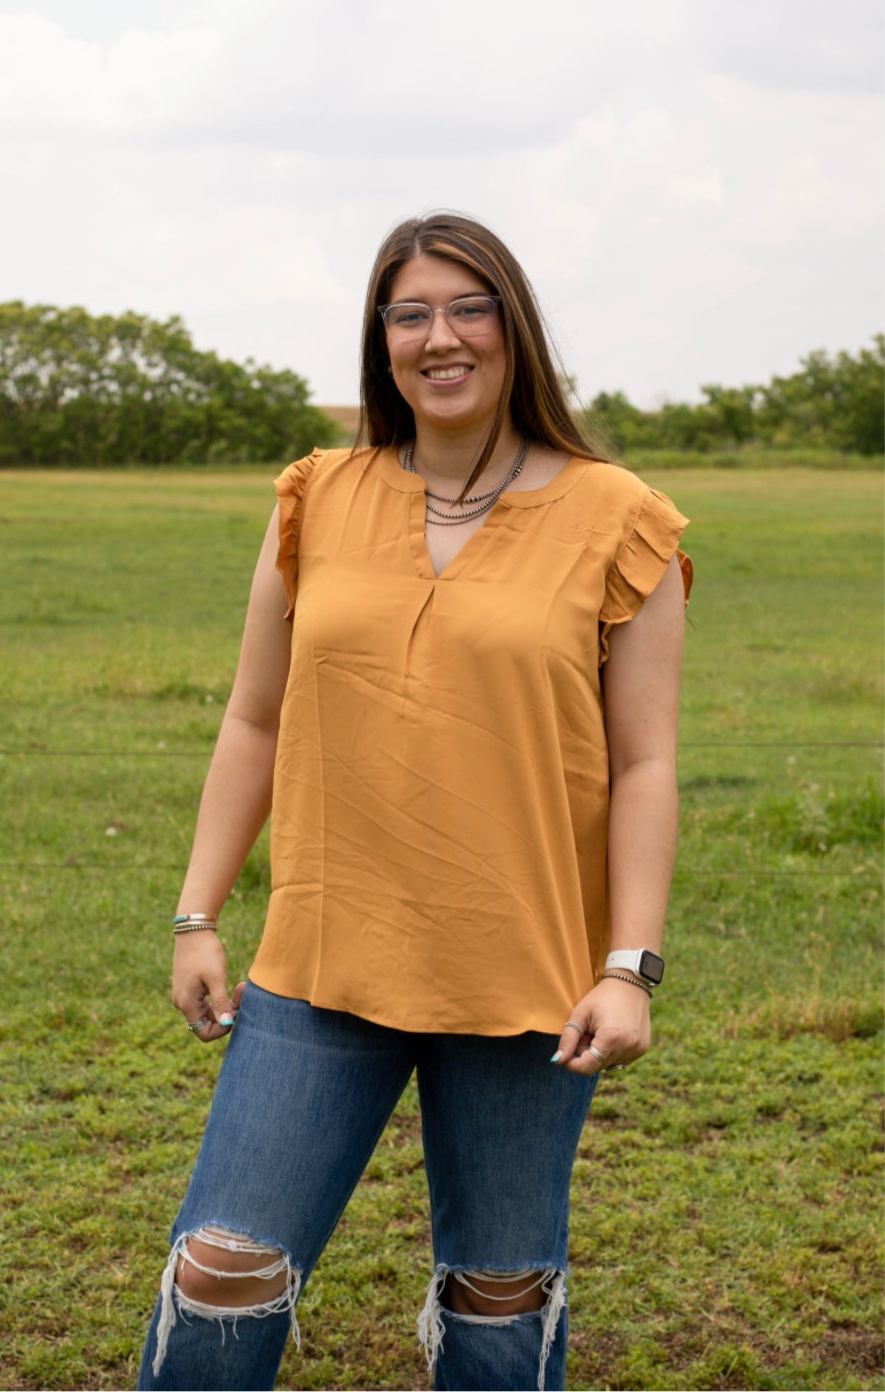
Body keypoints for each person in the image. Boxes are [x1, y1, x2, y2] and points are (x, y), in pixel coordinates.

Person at [136, 211, 692, 1392]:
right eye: (410, 313)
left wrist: (628, 966)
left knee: (500, 1311)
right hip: (323, 960)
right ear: (381, 340)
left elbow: (645, 764)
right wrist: (198, 912)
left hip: (526, 981)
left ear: (514, 329)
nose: (440, 337)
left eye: (467, 307)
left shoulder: (620, 517)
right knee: (219, 1277)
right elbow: (255, 718)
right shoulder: (318, 497)